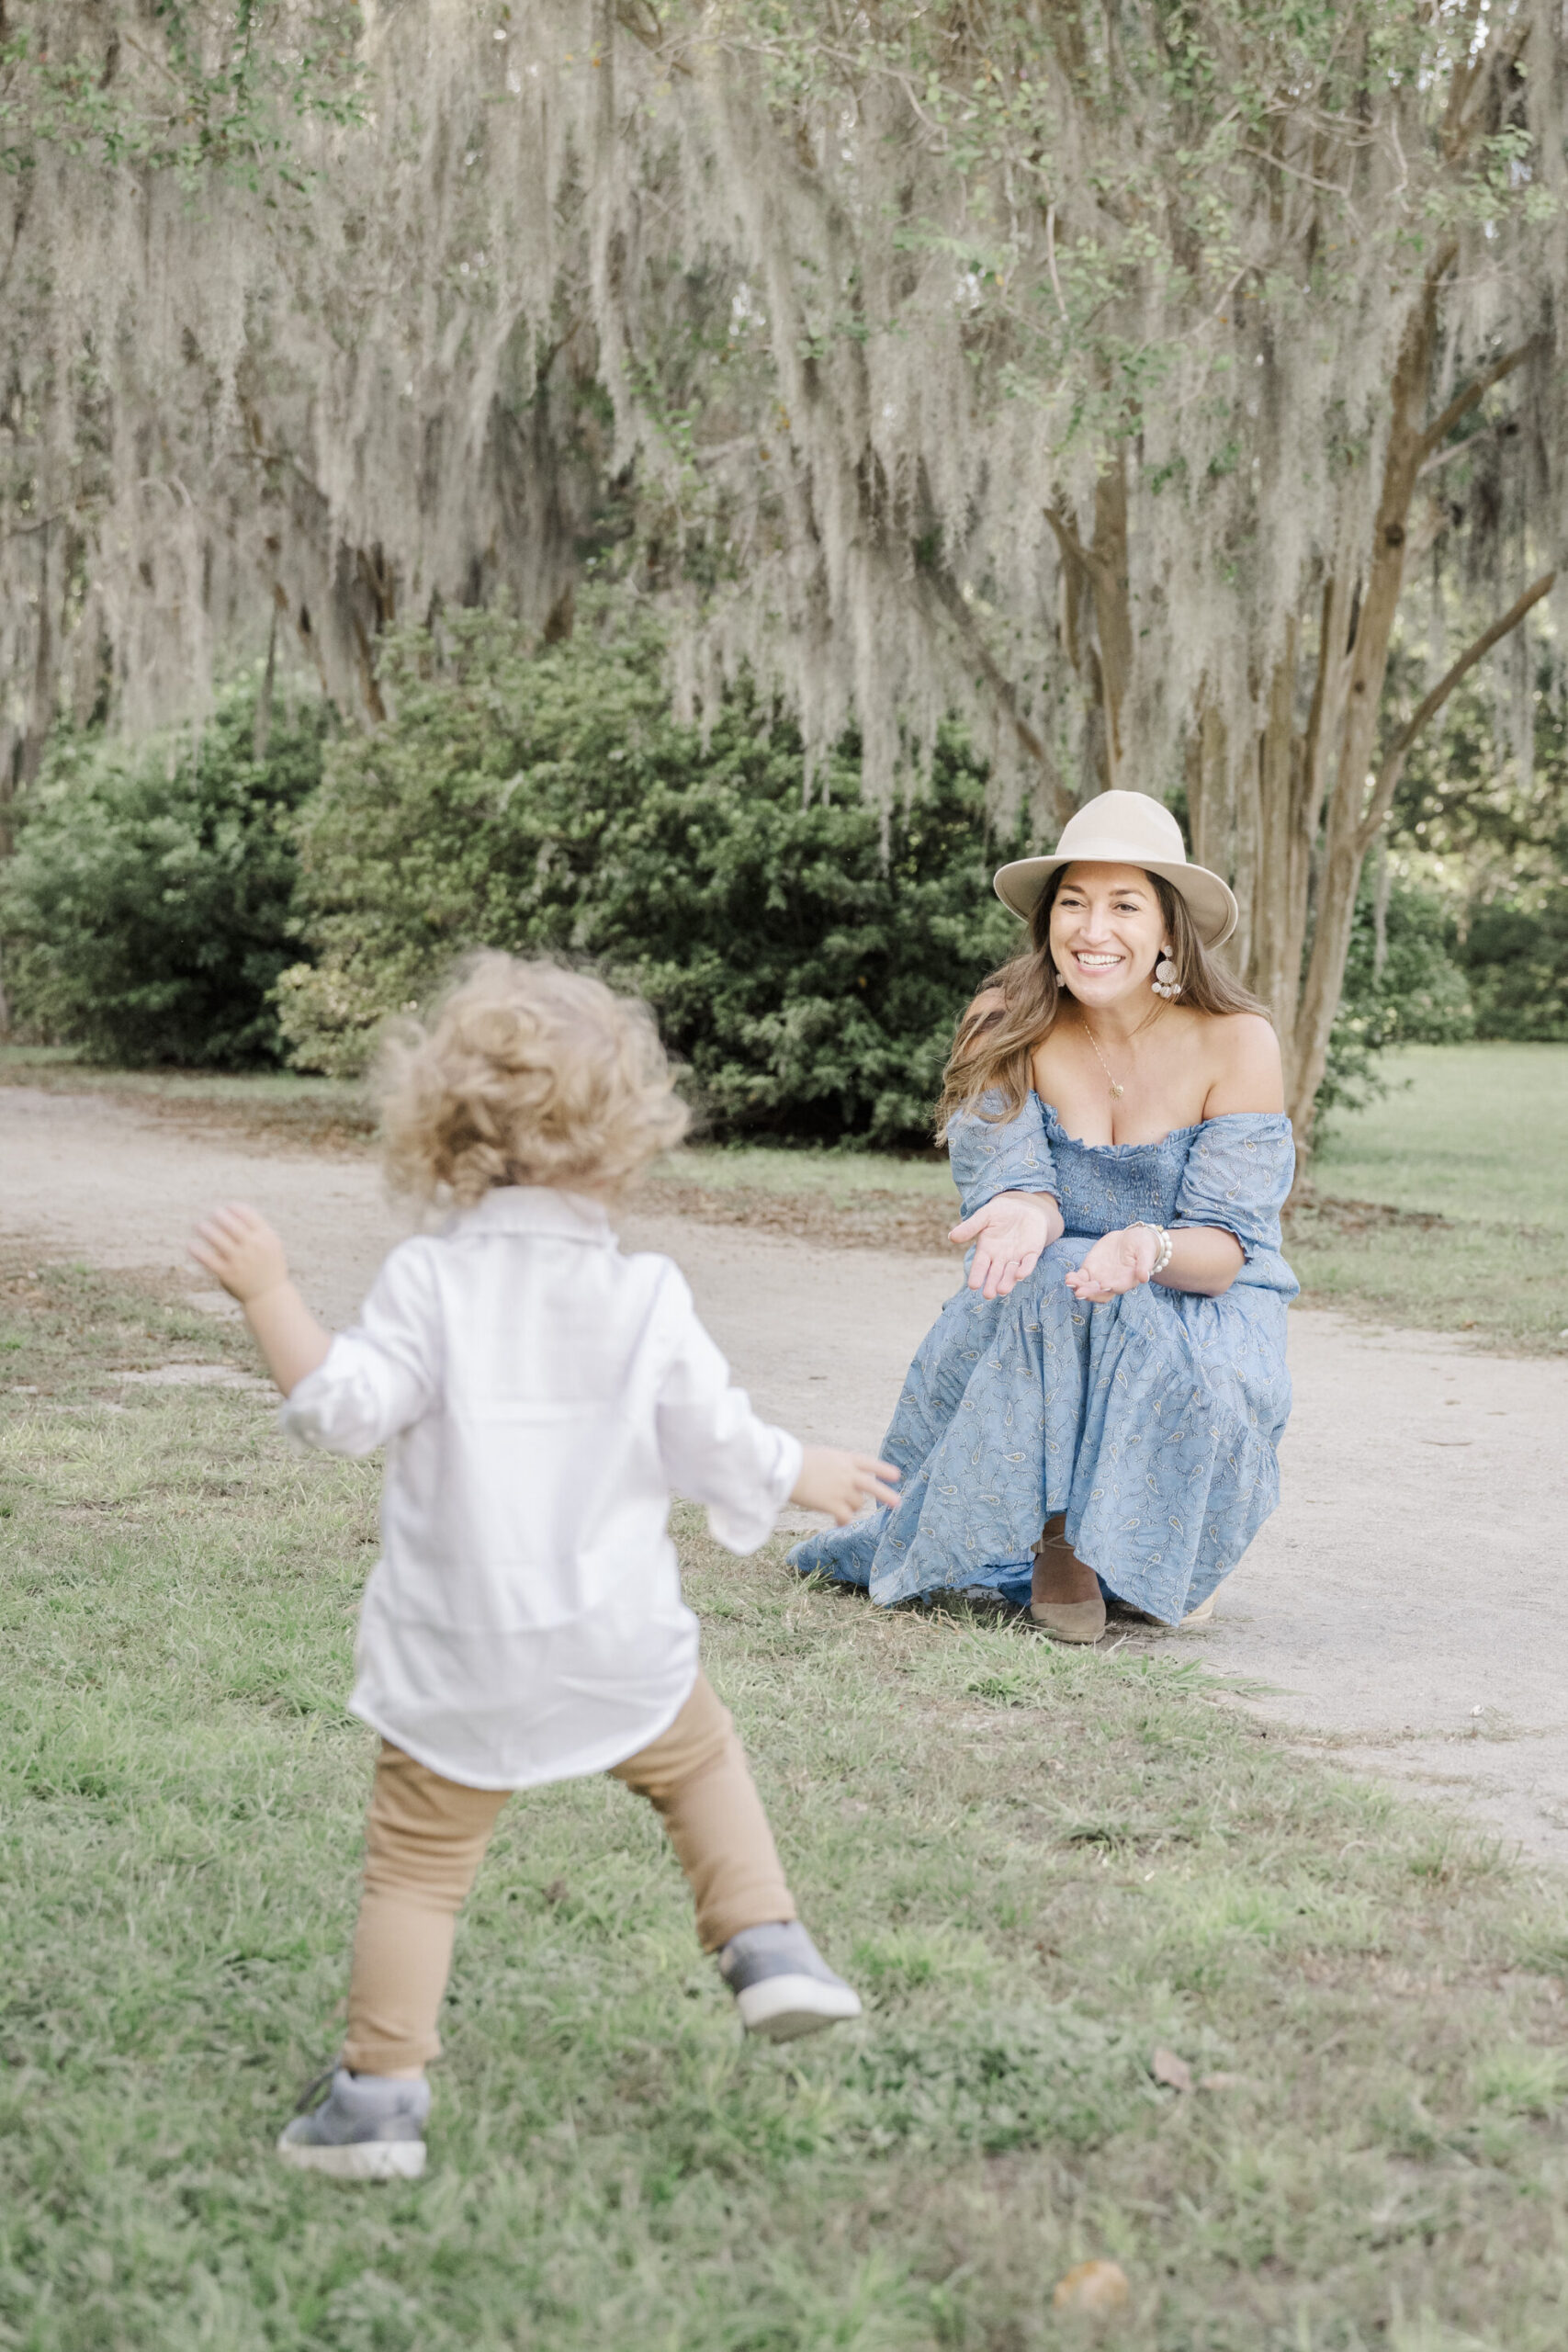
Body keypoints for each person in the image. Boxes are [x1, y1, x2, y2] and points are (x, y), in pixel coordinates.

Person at [190, 954, 899, 2182]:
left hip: (456, 1656)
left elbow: (338, 1408)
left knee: (415, 1873)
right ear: (627, 1137)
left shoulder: (429, 1284)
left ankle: (376, 2100)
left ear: (444, 1131)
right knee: (697, 1763)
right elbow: (711, 1439)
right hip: (613, 1642)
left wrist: (270, 1295)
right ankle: (767, 1946)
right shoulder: (641, 1295)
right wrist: (802, 1471)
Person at [790, 789, 1296, 1641]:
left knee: (1091, 1282)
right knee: (1056, 1274)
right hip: (1040, 1298)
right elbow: (1014, 1183)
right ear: (1047, 920)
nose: (1092, 928)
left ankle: (1124, 1545)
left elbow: (1224, 1254)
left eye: (1123, 905)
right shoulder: (1006, 1023)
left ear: (1169, 929)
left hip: (1197, 1302)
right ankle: (1058, 1539)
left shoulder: (1235, 1039)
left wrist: (1146, 1245)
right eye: (1072, 902)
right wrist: (1023, 1209)